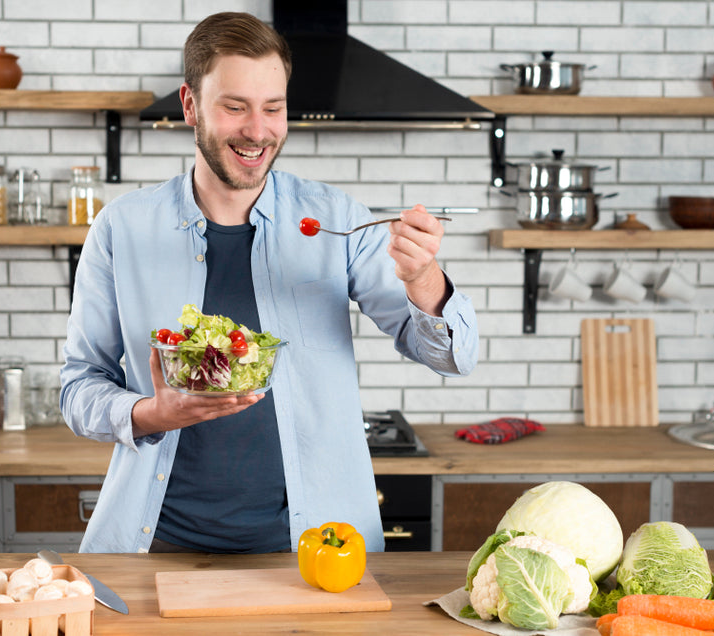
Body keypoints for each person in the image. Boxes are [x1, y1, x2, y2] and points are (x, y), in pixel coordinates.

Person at [60, 11, 478, 554]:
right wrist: (149, 414)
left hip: (317, 550)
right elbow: (78, 388)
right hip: (157, 545)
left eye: (273, 108)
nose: (257, 131)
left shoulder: (334, 220)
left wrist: (424, 277)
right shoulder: (122, 228)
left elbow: (455, 356)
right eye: (235, 107)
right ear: (190, 105)